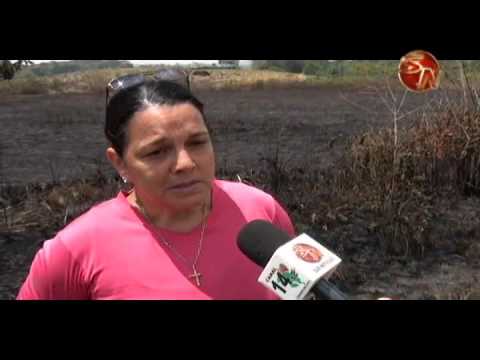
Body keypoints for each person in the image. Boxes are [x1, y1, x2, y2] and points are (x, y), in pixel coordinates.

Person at [16, 69, 295, 300]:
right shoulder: (75, 250)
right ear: (120, 163)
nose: (185, 163)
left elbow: (295, 290)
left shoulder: (261, 213)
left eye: (197, 143)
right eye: (157, 151)